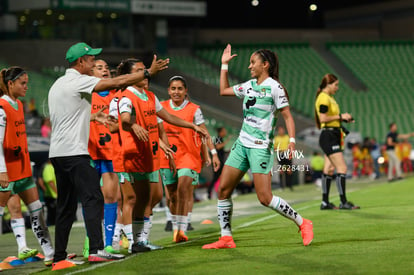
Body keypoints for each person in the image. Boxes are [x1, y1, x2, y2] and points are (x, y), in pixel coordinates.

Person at [47, 42, 168, 270]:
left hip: (58, 153)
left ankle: (59, 257)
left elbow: (64, 116)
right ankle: (96, 250)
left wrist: (93, 118)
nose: (94, 63)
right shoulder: (79, 80)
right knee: (94, 198)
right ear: (81, 62)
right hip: (76, 153)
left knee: (66, 206)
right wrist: (148, 73)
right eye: (91, 59)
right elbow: (118, 81)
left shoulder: (58, 84)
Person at [202, 44, 313, 249]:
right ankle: (226, 237)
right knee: (224, 190)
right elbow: (223, 90)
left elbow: (287, 116)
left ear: (265, 65)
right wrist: (224, 66)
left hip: (260, 147)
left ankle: (303, 223)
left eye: (253, 62)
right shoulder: (250, 85)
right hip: (242, 144)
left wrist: (291, 141)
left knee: (265, 198)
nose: (249, 66)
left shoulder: (275, 87)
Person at [115, 59, 207, 251]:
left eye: (144, 69)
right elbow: (123, 121)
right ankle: (135, 241)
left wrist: (191, 125)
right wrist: (132, 124)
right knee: (140, 199)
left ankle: (141, 240)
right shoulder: (126, 97)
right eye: (140, 70)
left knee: (154, 196)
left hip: (151, 154)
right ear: (131, 76)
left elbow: (168, 117)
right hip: (135, 155)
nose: (145, 73)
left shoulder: (149, 96)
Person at [0, 66, 55, 265]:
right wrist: (2, 170)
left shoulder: (19, 106)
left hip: (23, 170)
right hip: (7, 172)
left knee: (37, 209)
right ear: (10, 84)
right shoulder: (1, 106)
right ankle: (22, 248)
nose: (26, 86)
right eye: (22, 83)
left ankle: (50, 253)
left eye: (27, 83)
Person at [160, 75, 220, 243]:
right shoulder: (161, 107)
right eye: (173, 88)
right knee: (171, 196)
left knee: (182, 189)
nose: (176, 92)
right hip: (167, 157)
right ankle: (176, 225)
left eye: (180, 89)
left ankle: (181, 230)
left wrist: (212, 153)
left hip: (189, 156)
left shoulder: (194, 109)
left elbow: (204, 133)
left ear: (185, 91)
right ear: (168, 91)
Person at [87, 59, 120, 255]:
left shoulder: (117, 95)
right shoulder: (86, 95)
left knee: (111, 196)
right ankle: (91, 241)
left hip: (110, 153)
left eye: (107, 67)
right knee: (91, 199)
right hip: (89, 154)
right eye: (99, 68)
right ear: (91, 73)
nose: (105, 70)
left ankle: (108, 242)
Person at [314, 73, 360, 210]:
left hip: (332, 134)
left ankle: (325, 202)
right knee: (342, 168)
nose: (337, 88)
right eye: (336, 85)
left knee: (329, 169)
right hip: (329, 136)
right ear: (328, 84)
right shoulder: (323, 98)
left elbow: (331, 118)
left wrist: (343, 120)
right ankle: (343, 202)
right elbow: (323, 119)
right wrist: (341, 116)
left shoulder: (329, 98)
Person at [207, 127, 231, 200]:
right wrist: (227, 141)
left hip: (221, 162)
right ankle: (209, 193)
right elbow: (218, 147)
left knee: (222, 177)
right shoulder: (218, 138)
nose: (225, 133)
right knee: (216, 178)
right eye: (224, 131)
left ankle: (224, 192)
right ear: (220, 132)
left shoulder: (220, 139)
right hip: (218, 162)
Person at [274, 125, 294, 190]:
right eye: (280, 130)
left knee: (289, 170)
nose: (281, 131)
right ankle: (281, 186)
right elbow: (274, 147)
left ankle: (290, 185)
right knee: (281, 170)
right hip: (280, 154)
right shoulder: (276, 138)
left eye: (282, 130)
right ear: (278, 131)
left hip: (287, 154)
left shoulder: (287, 137)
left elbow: (291, 146)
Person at [41, 159, 57, 226]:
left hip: (54, 196)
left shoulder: (53, 167)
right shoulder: (48, 168)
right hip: (52, 197)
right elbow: (50, 182)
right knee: (52, 217)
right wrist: (57, 193)